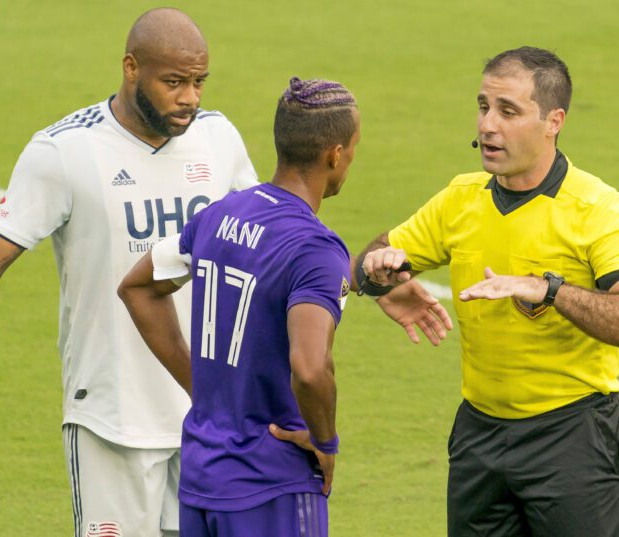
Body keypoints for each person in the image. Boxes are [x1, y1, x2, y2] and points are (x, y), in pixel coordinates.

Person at [354, 46, 619, 536]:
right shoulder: (461, 198)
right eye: (483, 107)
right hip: (479, 435)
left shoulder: (598, 209)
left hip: (573, 437)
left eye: (508, 111)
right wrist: (379, 277)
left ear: (553, 120)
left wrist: (548, 290)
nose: (487, 125)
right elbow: (371, 260)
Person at [118, 77, 451, 537]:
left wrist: (205, 390)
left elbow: (138, 287)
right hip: (271, 485)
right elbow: (310, 368)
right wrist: (324, 441)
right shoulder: (316, 247)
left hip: (201, 477)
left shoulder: (220, 214)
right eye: (353, 149)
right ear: (335, 154)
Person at [0, 8, 258, 537]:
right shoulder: (65, 151)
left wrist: (360, 277)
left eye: (199, 82)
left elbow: (265, 242)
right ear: (131, 68)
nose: (190, 99)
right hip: (112, 414)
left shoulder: (219, 140)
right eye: (174, 82)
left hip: (208, 411)